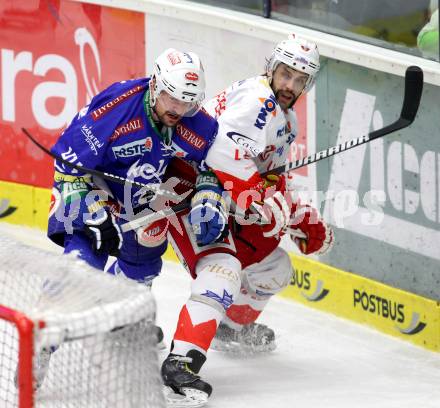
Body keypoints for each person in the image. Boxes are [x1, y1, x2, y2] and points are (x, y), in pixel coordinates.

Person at [26, 48, 228, 389]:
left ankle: (119, 319)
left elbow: (208, 169)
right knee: (82, 265)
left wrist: (208, 197)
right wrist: (90, 211)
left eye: (187, 102)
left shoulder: (198, 122)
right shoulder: (116, 107)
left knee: (148, 246)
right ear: (155, 85)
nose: (178, 109)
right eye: (172, 98)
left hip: (139, 199)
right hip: (92, 189)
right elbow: (67, 164)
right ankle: (41, 345)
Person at [161, 34, 334, 405]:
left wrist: (297, 216)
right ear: (272, 68)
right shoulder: (258, 100)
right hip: (186, 191)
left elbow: (270, 177)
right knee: (222, 270)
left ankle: (230, 329)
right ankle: (180, 363)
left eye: (300, 79)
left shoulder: (285, 119)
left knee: (273, 267)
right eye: (286, 74)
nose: (290, 85)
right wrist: (271, 205)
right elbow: (224, 157)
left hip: (222, 196)